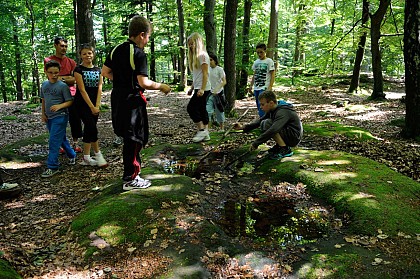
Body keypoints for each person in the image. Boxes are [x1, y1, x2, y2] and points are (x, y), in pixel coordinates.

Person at [102, 15, 171, 190]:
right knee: (134, 138)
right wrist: (162, 86)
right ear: (141, 34)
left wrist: (122, 82)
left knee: (129, 136)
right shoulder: (138, 53)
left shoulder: (116, 49)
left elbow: (105, 71)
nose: (147, 41)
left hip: (117, 97)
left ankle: (132, 174)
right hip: (132, 100)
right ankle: (130, 178)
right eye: (148, 37)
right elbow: (143, 83)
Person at [234, 90, 303, 159]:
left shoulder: (282, 112)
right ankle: (279, 146)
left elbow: (273, 130)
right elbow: (259, 121)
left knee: (267, 123)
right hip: (289, 134)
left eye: (262, 104)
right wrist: (243, 127)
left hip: (294, 137)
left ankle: (285, 149)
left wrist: (256, 143)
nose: (260, 107)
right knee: (264, 122)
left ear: (271, 103)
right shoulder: (273, 109)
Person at [44, 36, 82, 153]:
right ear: (55, 46)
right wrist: (67, 78)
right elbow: (51, 78)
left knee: (75, 119)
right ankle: (61, 145)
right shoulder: (48, 60)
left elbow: (75, 79)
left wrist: (61, 78)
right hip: (55, 95)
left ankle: (75, 143)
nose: (64, 48)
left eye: (65, 46)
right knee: (57, 120)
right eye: (61, 46)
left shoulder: (71, 62)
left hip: (71, 94)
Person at [73, 44, 107, 167]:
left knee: (89, 128)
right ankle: (98, 155)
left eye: (89, 53)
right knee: (92, 127)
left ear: (93, 54)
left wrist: (97, 105)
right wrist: (91, 107)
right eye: (84, 53)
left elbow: (99, 87)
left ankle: (86, 157)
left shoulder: (98, 70)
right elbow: (81, 90)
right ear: (81, 56)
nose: (87, 55)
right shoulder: (78, 70)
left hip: (95, 102)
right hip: (82, 103)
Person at [41, 60, 77, 177]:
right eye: (51, 72)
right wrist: (43, 114)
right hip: (49, 117)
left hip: (60, 116)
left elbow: (70, 101)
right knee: (60, 138)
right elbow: (44, 100)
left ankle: (53, 166)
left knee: (53, 141)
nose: (54, 75)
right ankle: (72, 155)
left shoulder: (62, 86)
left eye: (56, 72)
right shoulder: (44, 85)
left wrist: (59, 106)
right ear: (46, 72)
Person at [186, 32, 212, 142]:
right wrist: (192, 88)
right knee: (201, 109)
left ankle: (202, 131)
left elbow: (206, 74)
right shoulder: (196, 57)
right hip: (198, 87)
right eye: (189, 45)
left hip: (204, 88)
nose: (191, 46)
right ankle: (206, 133)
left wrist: (202, 88)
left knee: (191, 108)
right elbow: (197, 75)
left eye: (192, 44)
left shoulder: (203, 56)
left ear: (198, 43)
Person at [248, 43, 275, 117]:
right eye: (258, 52)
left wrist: (270, 86)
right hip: (257, 87)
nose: (259, 54)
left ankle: (264, 121)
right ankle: (262, 120)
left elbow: (272, 74)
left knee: (263, 105)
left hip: (264, 87)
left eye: (261, 52)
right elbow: (255, 75)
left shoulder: (269, 61)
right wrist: (251, 86)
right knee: (259, 105)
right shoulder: (256, 62)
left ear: (265, 51)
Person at [206, 52, 227, 131]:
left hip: (219, 94)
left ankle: (222, 128)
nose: (209, 61)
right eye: (208, 60)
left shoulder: (220, 69)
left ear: (215, 60)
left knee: (219, 111)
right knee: (208, 111)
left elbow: (224, 81)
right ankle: (208, 129)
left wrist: (217, 89)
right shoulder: (207, 69)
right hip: (210, 93)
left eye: (211, 60)